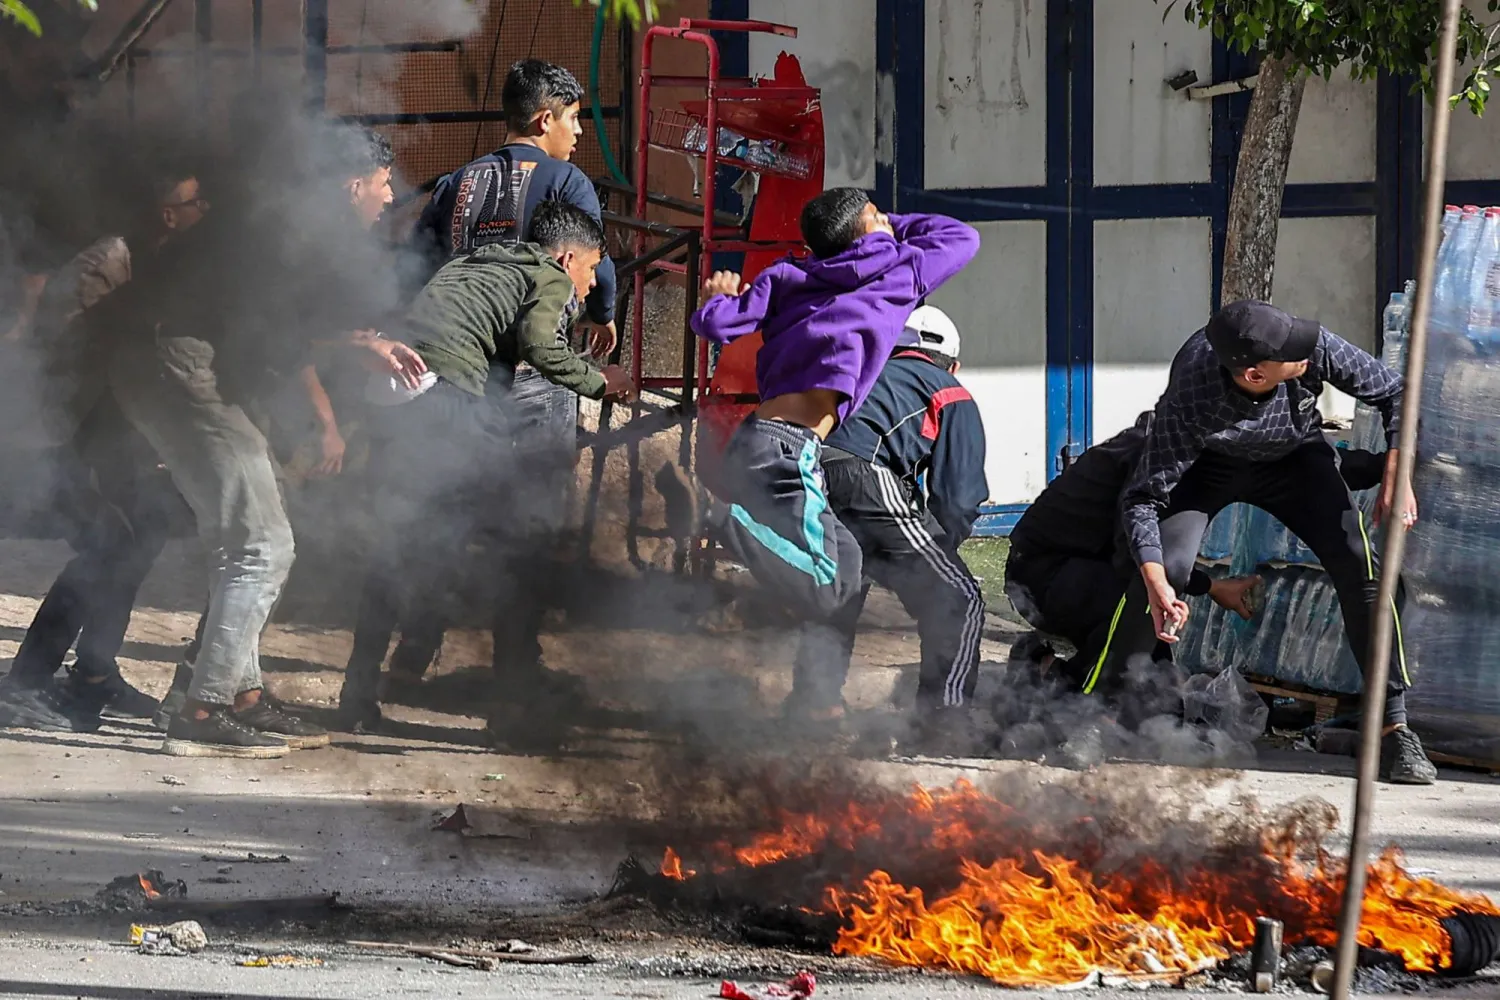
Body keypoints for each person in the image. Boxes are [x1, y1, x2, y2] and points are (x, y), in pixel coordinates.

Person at [109, 125, 424, 758]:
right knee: (262, 544)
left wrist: (354, 344)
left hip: (169, 365)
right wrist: (358, 347)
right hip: (179, 367)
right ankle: (202, 710)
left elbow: (272, 324)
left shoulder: (283, 221)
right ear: (352, 183)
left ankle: (241, 694)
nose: (389, 199)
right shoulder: (295, 230)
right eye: (385, 184)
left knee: (246, 533)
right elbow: (269, 325)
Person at [1101, 300, 1436, 784]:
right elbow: (1143, 498)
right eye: (1294, 354)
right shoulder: (1191, 395)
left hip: (1296, 458)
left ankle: (1393, 726)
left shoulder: (1307, 344)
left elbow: (1394, 392)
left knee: (1363, 568)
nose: (1309, 350)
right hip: (1208, 464)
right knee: (1165, 566)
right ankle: (1101, 706)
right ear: (1255, 374)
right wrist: (1156, 579)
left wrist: (1397, 469)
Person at [338, 200, 635, 737]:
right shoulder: (549, 276)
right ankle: (512, 713)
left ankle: (357, 695)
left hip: (392, 401)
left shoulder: (473, 262)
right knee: (518, 552)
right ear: (568, 257)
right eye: (592, 269)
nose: (590, 286)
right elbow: (541, 345)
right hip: (447, 401)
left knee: (396, 552)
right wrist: (600, 381)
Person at [658, 188, 979, 647]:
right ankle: (711, 513)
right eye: (877, 214)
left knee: (847, 558)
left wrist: (715, 299)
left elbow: (716, 325)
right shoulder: (896, 275)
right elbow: (960, 237)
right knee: (831, 588)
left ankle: (728, 525)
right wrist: (889, 225)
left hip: (760, 441)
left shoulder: (788, 276)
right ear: (869, 226)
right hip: (789, 451)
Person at [387, 58, 617, 688]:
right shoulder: (569, 182)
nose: (579, 133)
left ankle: (416, 641)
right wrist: (603, 313)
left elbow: (414, 267)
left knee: (447, 511)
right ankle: (516, 664)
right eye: (573, 119)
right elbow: (596, 258)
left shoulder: (457, 182)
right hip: (536, 381)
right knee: (531, 519)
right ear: (545, 119)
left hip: (461, 385)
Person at [0, 166, 207, 732]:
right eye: (196, 204)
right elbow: (69, 359)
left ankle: (92, 673)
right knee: (107, 542)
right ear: (169, 213)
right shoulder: (108, 263)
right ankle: (26, 681)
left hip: (115, 432)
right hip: (67, 431)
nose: (204, 213)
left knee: (144, 531)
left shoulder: (154, 259)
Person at [1004, 414, 1389, 704]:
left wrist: (1387, 464)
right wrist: (1208, 585)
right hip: (1043, 576)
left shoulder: (1202, 444)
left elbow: (1312, 468)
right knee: (1135, 617)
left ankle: (1092, 684)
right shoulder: (1157, 461)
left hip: (1093, 567)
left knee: (1157, 694)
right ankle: (1049, 672)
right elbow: (1136, 558)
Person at [788, 305, 989, 745]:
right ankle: (943, 721)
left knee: (841, 588)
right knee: (959, 597)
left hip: (804, 471)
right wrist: (941, 554)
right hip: (865, 474)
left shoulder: (862, 372)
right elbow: (958, 496)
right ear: (952, 364)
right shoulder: (949, 390)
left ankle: (814, 707)